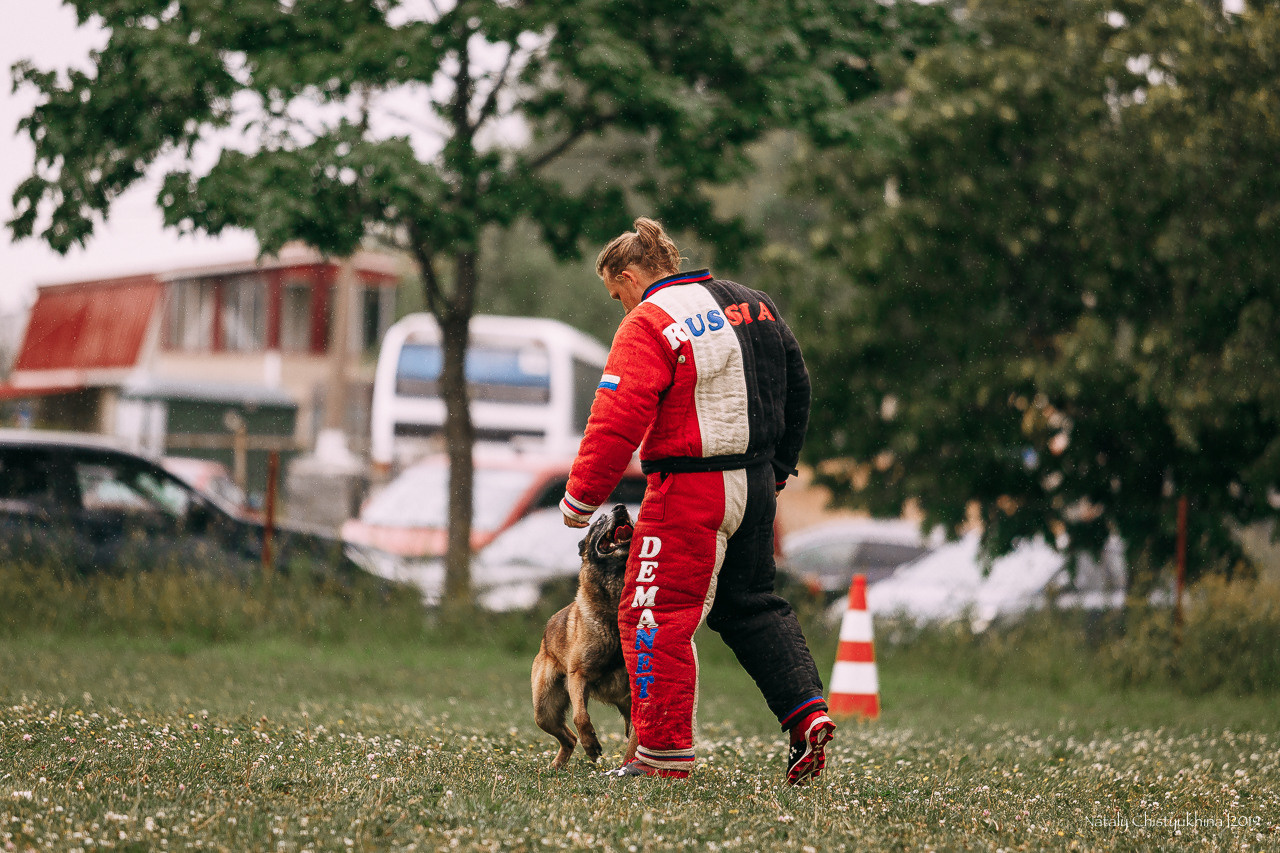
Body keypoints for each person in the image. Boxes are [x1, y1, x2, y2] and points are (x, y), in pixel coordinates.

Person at [560, 217, 835, 783]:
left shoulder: (649, 322)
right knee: (751, 605)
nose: (621, 307)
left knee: (651, 614)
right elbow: (797, 383)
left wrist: (581, 498)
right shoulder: (753, 304)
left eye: (618, 294)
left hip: (690, 487)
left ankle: (661, 757)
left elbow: (617, 418)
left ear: (631, 275)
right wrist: (780, 467)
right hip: (756, 484)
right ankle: (807, 714)